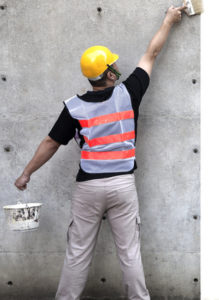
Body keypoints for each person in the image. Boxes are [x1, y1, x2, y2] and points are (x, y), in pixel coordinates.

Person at [13, 5, 187, 300]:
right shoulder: (129, 92)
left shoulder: (74, 108)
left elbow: (50, 143)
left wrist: (26, 173)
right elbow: (152, 53)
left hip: (89, 188)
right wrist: (169, 19)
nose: (117, 68)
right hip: (122, 185)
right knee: (129, 252)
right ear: (108, 72)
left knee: (78, 252)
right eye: (113, 65)